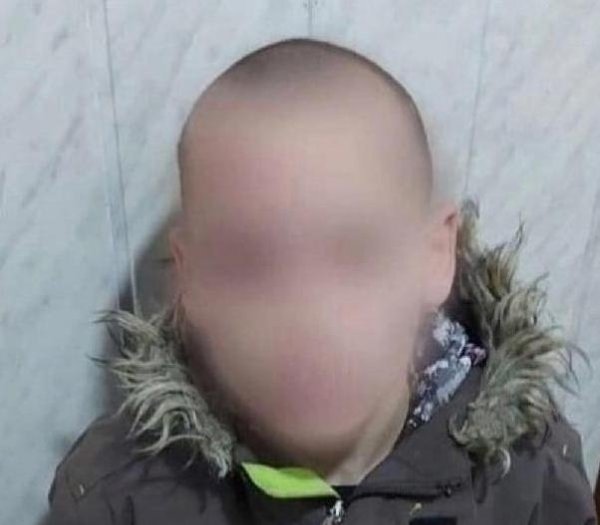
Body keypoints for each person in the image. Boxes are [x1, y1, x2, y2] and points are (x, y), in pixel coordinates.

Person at [47, 37, 597, 524]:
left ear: (435, 257)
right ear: (192, 280)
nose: (308, 320)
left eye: (357, 253)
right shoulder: (117, 494)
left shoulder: (526, 470)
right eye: (247, 265)